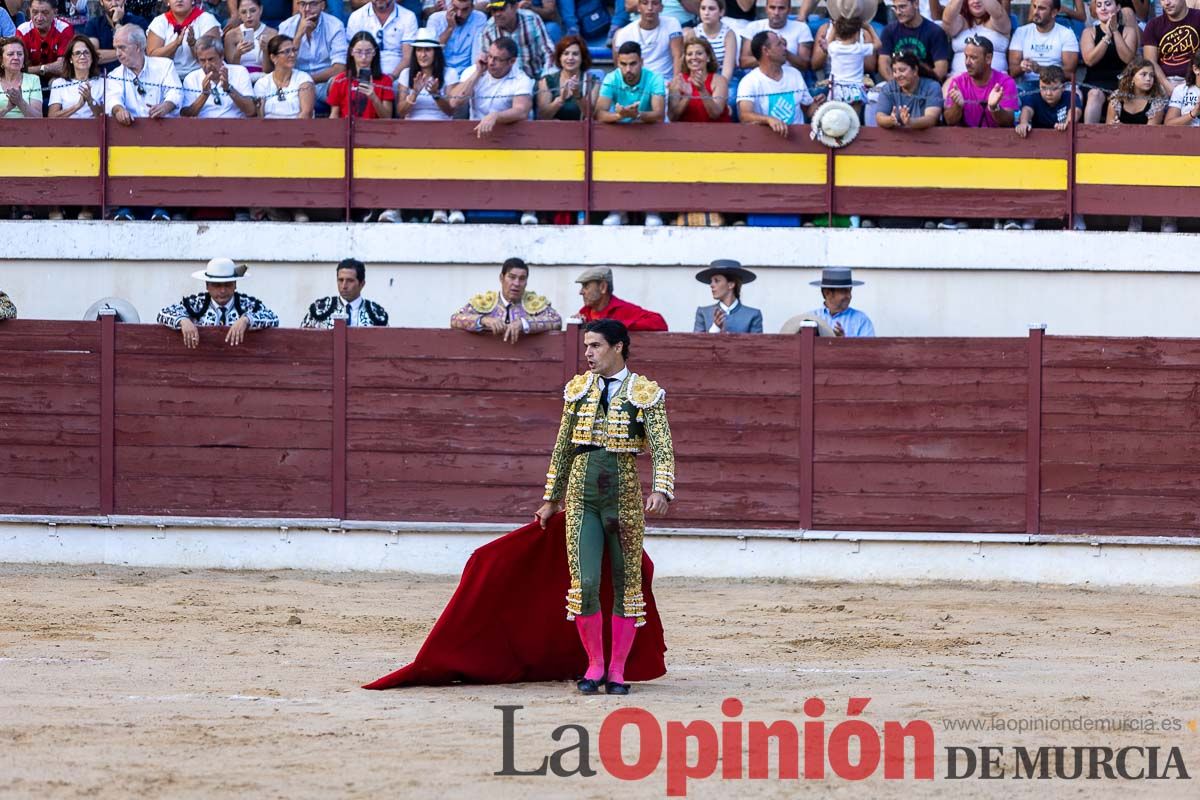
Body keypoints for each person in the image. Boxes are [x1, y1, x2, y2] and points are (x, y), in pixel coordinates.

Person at [534, 318, 675, 695]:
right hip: (582, 494)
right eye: (586, 347)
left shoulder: (645, 392)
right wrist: (551, 499)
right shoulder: (578, 390)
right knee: (586, 582)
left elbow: (662, 447)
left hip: (624, 493)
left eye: (595, 346)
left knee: (627, 584)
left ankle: (616, 670)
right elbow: (563, 445)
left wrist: (661, 489)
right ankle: (594, 665)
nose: (588, 354)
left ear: (618, 347)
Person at [595, 41, 666, 227]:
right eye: (623, 64)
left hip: (649, 132)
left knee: (652, 165)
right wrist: (620, 115)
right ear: (617, 63)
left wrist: (637, 115)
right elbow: (599, 112)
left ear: (641, 61)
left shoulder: (655, 78)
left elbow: (659, 114)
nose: (628, 69)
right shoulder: (611, 78)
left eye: (633, 64)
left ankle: (652, 209)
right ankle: (617, 208)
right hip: (621, 130)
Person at [157, 257, 280, 348]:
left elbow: (273, 318)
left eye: (227, 285)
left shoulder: (247, 304)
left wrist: (246, 319)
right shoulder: (197, 303)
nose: (222, 291)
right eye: (216, 285)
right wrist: (183, 320)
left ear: (235, 285)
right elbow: (163, 314)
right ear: (207, 286)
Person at [1106, 57, 1169, 232]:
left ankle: (1162, 216)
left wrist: (1121, 129)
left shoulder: (1157, 99)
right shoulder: (1116, 98)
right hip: (1120, 152)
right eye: (1143, 75)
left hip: (1149, 153)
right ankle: (1135, 215)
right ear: (1131, 77)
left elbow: (1150, 134)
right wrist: (1115, 129)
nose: (1149, 79)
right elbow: (1107, 131)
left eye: (1151, 75)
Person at [449, 257, 562, 342]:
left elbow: (556, 320)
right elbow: (455, 319)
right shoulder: (486, 302)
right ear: (501, 278)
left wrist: (523, 323)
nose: (517, 283)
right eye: (512, 277)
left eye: (522, 279)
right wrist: (484, 320)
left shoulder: (534, 303)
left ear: (526, 282)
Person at [737, 31, 823, 137]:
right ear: (766, 50)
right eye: (779, 44)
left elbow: (808, 112)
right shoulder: (749, 81)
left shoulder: (794, 74)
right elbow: (745, 115)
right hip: (765, 142)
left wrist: (817, 104)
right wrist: (768, 120)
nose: (784, 48)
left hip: (799, 141)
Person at [277, 0, 347, 104]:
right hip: (294, 83)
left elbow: (339, 68)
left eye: (313, 3)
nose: (307, 9)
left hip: (325, 83)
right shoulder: (286, 26)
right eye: (303, 4)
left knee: (340, 85)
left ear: (322, 5)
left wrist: (307, 80)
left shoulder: (335, 26)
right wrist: (299, 35)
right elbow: (282, 65)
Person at [1079, 0, 1138, 124]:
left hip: (1122, 83)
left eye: (1108, 4)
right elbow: (1089, 60)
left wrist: (1115, 31)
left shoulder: (1129, 31)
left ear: (1117, 8)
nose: (1103, 8)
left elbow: (1127, 59)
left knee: (1117, 96)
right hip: (1094, 83)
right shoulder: (1089, 32)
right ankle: (1089, 138)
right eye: (1099, 5)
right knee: (1095, 95)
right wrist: (1106, 36)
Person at [1007, 0, 1079, 97]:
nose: (1035, 12)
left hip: (1057, 85)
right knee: (1011, 94)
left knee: (1076, 95)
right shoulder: (1021, 32)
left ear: (1054, 12)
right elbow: (1012, 71)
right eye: (1034, 7)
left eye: (1041, 8)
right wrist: (1022, 67)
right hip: (1029, 84)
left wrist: (1039, 69)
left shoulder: (1066, 34)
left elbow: (1069, 73)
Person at [943, 36, 1018, 127]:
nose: (967, 62)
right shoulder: (958, 83)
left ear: (988, 58)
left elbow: (1008, 121)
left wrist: (994, 108)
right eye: (966, 57)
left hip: (998, 139)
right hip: (966, 139)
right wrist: (957, 106)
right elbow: (949, 121)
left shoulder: (1005, 82)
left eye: (973, 58)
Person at [812, 13, 880, 111]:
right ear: (857, 34)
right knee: (854, 120)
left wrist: (834, 27)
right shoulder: (859, 48)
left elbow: (827, 44)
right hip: (855, 91)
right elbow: (878, 44)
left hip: (837, 90)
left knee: (837, 118)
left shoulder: (833, 47)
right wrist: (869, 28)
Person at [474, 0, 553, 80]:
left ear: (515, 7)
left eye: (501, 9)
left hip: (536, 77)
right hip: (506, 83)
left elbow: (548, 51)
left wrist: (545, 77)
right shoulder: (488, 30)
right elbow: (486, 62)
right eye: (494, 10)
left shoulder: (531, 19)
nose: (497, 14)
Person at [181, 36, 257, 117]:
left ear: (222, 56)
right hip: (203, 127)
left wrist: (229, 88)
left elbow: (251, 111)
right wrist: (204, 95)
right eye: (202, 60)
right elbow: (186, 116)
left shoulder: (240, 72)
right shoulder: (191, 78)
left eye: (211, 59)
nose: (208, 65)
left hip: (236, 125)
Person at [301, 258, 390, 328]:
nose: (344, 286)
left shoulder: (376, 314)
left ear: (362, 284)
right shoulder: (320, 309)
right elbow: (303, 341)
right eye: (340, 280)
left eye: (350, 281)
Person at [574, 266, 669, 331]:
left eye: (586, 286)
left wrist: (618, 326)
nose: (581, 292)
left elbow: (659, 322)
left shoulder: (622, 309)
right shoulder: (584, 314)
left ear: (603, 287)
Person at [146, 0, 222, 79]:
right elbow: (152, 57)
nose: (179, 0)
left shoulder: (207, 19)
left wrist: (193, 44)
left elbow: (214, 56)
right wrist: (175, 44)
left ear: (192, 1)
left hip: (200, 75)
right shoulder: (159, 22)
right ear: (167, 2)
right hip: (167, 76)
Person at [328, 31, 395, 118]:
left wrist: (373, 97)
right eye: (359, 52)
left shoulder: (385, 81)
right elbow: (334, 115)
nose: (363, 57)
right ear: (352, 52)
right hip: (347, 129)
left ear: (374, 52)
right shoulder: (340, 80)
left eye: (368, 52)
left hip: (376, 130)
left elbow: (387, 118)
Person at [878, 0, 950, 83]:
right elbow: (883, 63)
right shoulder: (889, 30)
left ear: (916, 4)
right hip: (897, 82)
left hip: (926, 84)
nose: (898, 12)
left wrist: (919, 87)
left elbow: (941, 69)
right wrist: (895, 84)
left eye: (902, 7)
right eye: (895, 8)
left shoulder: (935, 31)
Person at [346, 0, 417, 80]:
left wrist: (391, 78)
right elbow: (352, 55)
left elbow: (407, 58)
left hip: (397, 77)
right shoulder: (356, 17)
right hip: (364, 75)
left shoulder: (408, 17)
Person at [614, 0, 682, 81]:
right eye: (645, 3)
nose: (650, 8)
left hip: (666, 81)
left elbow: (678, 55)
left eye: (655, 3)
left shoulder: (672, 23)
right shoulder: (625, 33)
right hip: (638, 83)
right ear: (638, 7)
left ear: (661, 7)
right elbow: (621, 65)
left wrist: (676, 81)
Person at [875, 48, 943, 128]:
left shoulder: (932, 87)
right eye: (894, 71)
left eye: (902, 70)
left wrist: (910, 122)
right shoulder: (888, 88)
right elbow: (879, 117)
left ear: (915, 70)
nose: (897, 75)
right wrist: (891, 120)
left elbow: (931, 119)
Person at [1143, 0, 1200, 94]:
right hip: (1166, 82)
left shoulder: (1198, 17)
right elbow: (1150, 61)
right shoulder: (1153, 25)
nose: (1166, 3)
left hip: (1196, 79)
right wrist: (1169, 87)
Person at [537, 33, 597, 120]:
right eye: (566, 54)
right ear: (559, 57)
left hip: (581, 131)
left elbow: (592, 115)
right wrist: (561, 99)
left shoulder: (592, 81)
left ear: (582, 57)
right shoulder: (546, 81)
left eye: (575, 54)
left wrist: (578, 95)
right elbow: (542, 117)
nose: (570, 58)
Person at [739, 0, 813, 71]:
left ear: (789, 10)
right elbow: (744, 62)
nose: (776, 12)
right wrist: (772, 54)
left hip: (791, 78)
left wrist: (783, 51)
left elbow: (805, 65)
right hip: (760, 78)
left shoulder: (802, 28)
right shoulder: (753, 27)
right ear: (766, 9)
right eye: (772, 7)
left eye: (781, 8)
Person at [253, 34, 314, 119]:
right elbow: (260, 117)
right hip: (268, 130)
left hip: (299, 129)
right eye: (287, 51)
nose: (292, 55)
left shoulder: (304, 79)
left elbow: (306, 114)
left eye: (294, 50)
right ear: (273, 58)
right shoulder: (262, 83)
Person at [942, 0, 1010, 77]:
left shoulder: (1001, 21)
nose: (976, 1)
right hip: (958, 80)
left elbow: (998, 13)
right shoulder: (961, 22)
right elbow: (947, 20)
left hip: (996, 81)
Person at [693, 259, 762, 333]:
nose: (711, 285)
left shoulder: (752, 315)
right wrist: (715, 329)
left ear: (731, 285)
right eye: (711, 281)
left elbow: (756, 344)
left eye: (717, 281)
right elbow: (697, 344)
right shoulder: (703, 313)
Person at [668, 34, 728, 121]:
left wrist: (702, 90)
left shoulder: (719, 81)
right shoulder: (678, 81)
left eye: (699, 53)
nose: (694, 57)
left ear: (708, 57)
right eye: (689, 54)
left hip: (715, 132)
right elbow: (672, 117)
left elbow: (715, 114)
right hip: (686, 132)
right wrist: (687, 96)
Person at [805, 267, 874, 337]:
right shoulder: (810, 319)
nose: (849, 296)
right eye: (844, 291)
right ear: (827, 293)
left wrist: (843, 342)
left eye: (850, 291)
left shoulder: (861, 320)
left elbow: (869, 347)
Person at [17, 0, 73, 83]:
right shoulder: (22, 31)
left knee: (56, 83)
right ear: (29, 11)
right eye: (35, 12)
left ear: (55, 13)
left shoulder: (64, 29)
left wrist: (31, 69)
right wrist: (45, 68)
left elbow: (62, 67)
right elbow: (19, 68)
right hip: (29, 80)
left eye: (45, 13)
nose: (39, 18)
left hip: (57, 78)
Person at [84, 0, 149, 71]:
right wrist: (126, 51)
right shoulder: (94, 24)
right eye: (109, 0)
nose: (114, 4)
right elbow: (91, 55)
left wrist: (117, 23)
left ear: (124, 1)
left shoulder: (138, 22)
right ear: (101, 2)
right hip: (104, 77)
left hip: (133, 73)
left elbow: (143, 52)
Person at [425, 0, 485, 73]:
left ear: (472, 8)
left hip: (466, 72)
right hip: (440, 71)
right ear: (450, 5)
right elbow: (431, 53)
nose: (459, 14)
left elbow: (476, 53)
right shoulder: (435, 19)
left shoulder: (479, 18)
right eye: (455, 8)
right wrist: (449, 28)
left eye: (465, 9)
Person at [223, 0, 276, 75]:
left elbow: (269, 71)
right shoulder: (231, 35)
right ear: (238, 14)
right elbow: (232, 69)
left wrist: (265, 51)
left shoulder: (272, 34)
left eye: (253, 11)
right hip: (240, 78)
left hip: (263, 77)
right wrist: (238, 54)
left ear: (260, 10)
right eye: (244, 12)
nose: (248, 16)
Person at [687, 0, 734, 80]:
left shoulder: (728, 34)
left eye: (711, 9)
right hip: (698, 76)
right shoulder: (693, 33)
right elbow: (688, 64)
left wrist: (719, 86)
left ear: (721, 12)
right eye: (703, 8)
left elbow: (727, 69)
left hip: (721, 77)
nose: (706, 13)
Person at [0, 37, 43, 118]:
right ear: (1, 60)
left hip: (28, 129)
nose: (16, 57)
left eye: (19, 54)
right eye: (10, 54)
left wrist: (20, 102)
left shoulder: (33, 79)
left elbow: (38, 118)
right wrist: (7, 108)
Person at [1165, 52, 1200, 127]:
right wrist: (1193, 113)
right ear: (1196, 69)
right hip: (1186, 136)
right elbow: (1169, 124)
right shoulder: (1181, 90)